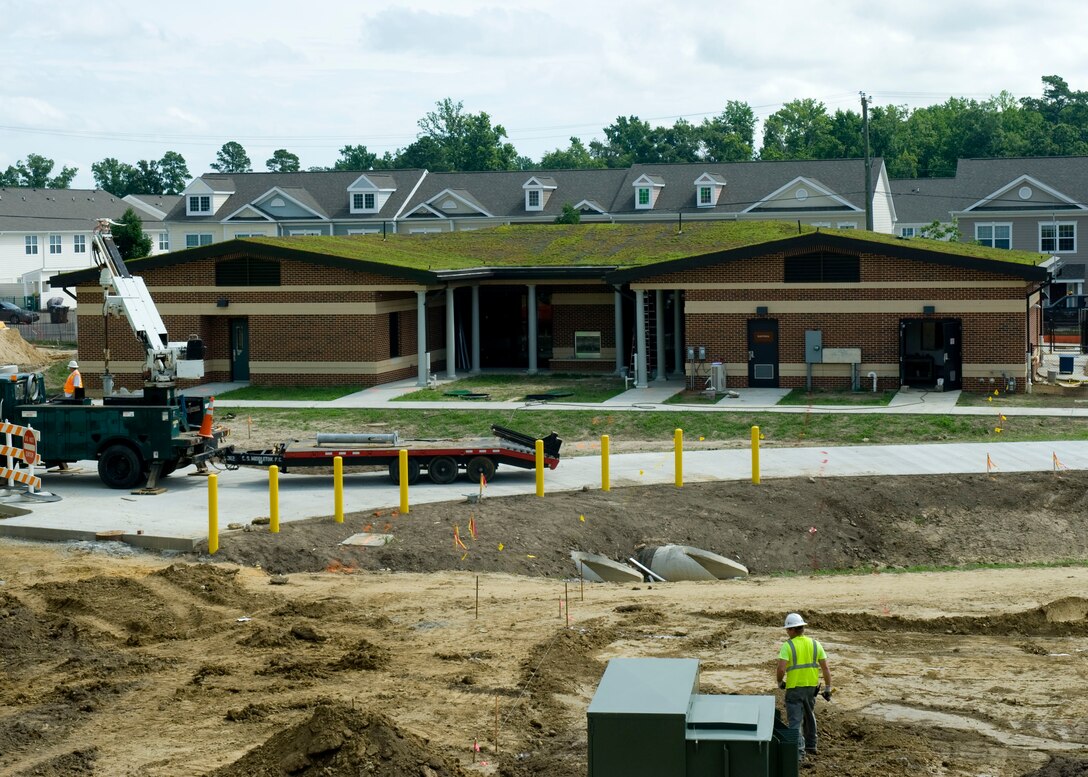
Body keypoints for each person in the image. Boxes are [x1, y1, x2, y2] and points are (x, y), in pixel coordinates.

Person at [776, 612, 832, 765]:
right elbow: (826, 668)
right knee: (809, 715)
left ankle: (798, 754)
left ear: (793, 629)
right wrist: (828, 688)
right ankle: (811, 745)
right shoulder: (815, 644)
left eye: (788, 629)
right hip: (811, 688)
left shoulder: (788, 646)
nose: (787, 632)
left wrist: (780, 683)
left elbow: (781, 669)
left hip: (794, 689)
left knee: (795, 721)